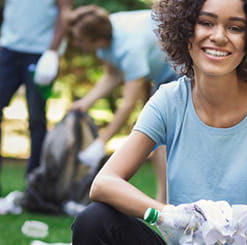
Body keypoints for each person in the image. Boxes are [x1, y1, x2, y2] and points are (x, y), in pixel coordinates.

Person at [71, 0, 247, 244]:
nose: (219, 36)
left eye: (235, 27)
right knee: (94, 220)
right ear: (186, 30)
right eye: (206, 23)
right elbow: (104, 184)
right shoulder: (169, 100)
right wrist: (167, 214)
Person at [67, 5, 182, 202]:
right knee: (159, 141)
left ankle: (164, 200)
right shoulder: (108, 33)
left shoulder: (130, 47)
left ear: (96, 40)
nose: (77, 44)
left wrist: (101, 143)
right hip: (163, 74)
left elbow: (129, 104)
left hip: (179, 69)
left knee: (161, 139)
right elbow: (112, 75)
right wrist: (86, 102)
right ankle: (164, 199)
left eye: (80, 40)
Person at [0, 0, 73, 198]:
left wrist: (52, 51)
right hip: (8, 50)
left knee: (36, 119)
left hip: (41, 53)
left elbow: (65, 12)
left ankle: (34, 188)